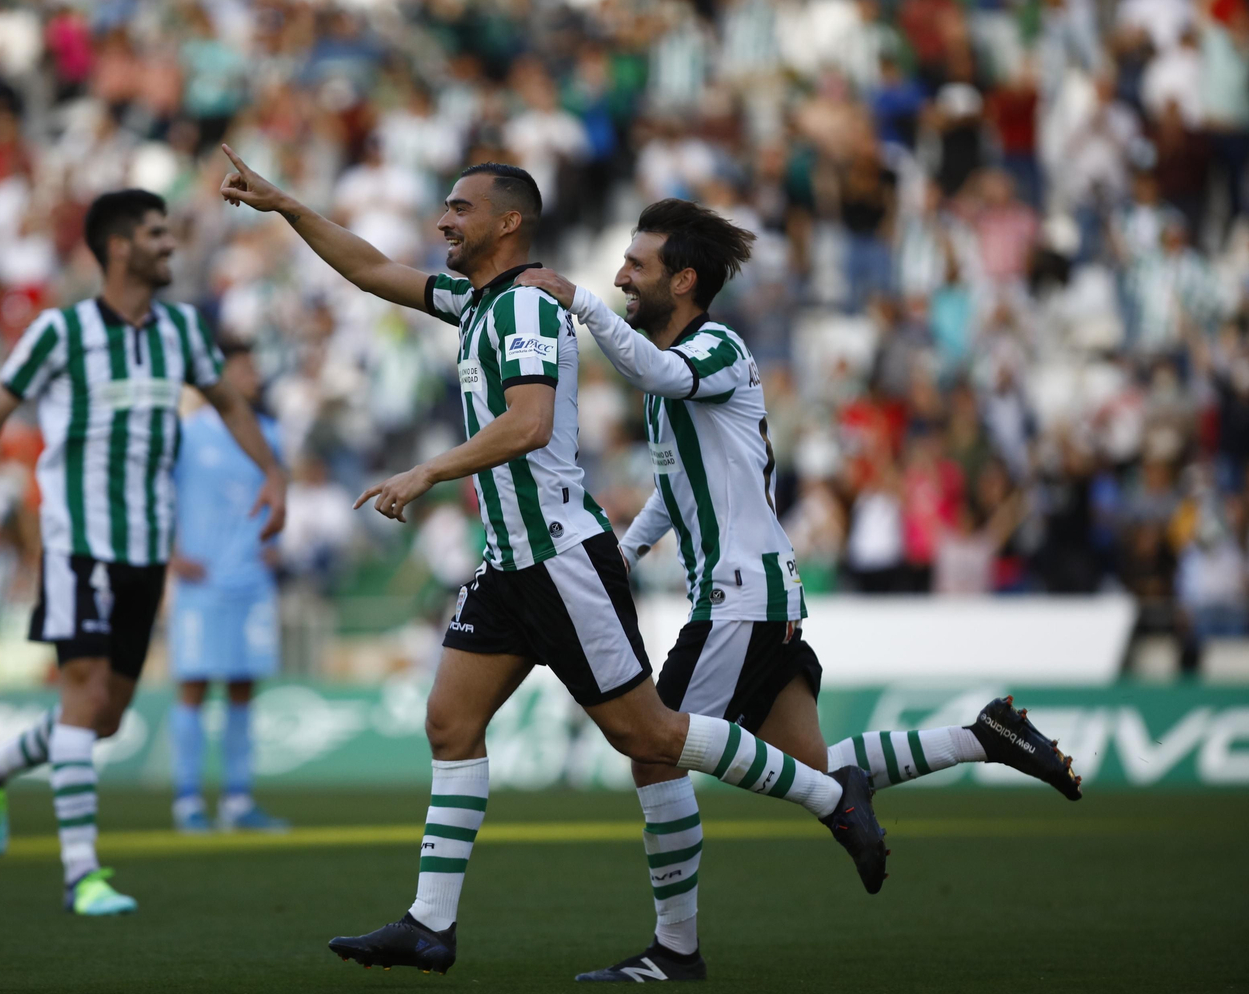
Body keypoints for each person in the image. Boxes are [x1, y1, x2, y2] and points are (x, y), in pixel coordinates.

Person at [218, 148, 887, 977]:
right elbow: (370, 270)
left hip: (560, 560)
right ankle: (430, 925)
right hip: (508, 564)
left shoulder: (529, 308)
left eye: (459, 209)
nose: (441, 221)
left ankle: (833, 799)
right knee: (449, 722)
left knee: (649, 737)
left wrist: (429, 468)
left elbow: (531, 423)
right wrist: (287, 203)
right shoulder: (473, 300)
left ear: (507, 222)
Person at [516, 199, 1083, 982]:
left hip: (740, 596)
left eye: (636, 266)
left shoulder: (710, 348)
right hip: (760, 595)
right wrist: (629, 546)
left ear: (684, 281)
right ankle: (983, 737)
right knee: (814, 759)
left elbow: (650, 371)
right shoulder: (680, 369)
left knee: (653, 749)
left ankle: (676, 951)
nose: (620, 277)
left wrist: (576, 300)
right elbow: (678, 485)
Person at [0, 189, 287, 916]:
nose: (170, 245)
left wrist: (273, 472)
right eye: (157, 234)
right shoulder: (59, 332)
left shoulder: (182, 333)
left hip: (142, 551)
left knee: (103, 717)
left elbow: (230, 404)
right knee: (83, 696)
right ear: (118, 247)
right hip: (77, 544)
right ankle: (82, 874)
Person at [167, 337, 288, 833]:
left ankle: (238, 800)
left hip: (252, 580)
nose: (254, 378)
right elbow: (159, 493)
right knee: (193, 688)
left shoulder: (270, 434)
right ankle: (188, 801)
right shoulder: (187, 434)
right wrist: (170, 553)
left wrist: (278, 539)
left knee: (243, 689)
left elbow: (280, 488)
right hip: (201, 581)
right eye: (244, 369)